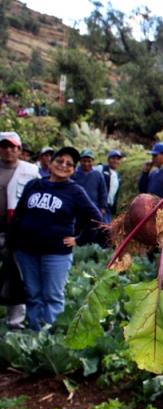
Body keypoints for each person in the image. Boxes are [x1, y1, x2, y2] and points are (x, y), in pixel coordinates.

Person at [10, 146, 102, 331]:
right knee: (33, 294)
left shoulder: (75, 191)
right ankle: (35, 333)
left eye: (69, 164)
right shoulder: (34, 185)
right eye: (60, 161)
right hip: (26, 252)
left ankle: (53, 335)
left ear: (73, 170)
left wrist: (79, 240)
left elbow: (96, 218)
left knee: (52, 295)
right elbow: (19, 213)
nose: (63, 165)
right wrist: (15, 240)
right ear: (50, 163)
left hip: (56, 253)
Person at [0, 131, 39, 329]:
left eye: (12, 147)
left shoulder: (31, 171)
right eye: (4, 146)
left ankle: (15, 321)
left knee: (16, 275)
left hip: (18, 233)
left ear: (19, 149)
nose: (8, 150)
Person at [71, 149, 108, 222]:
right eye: (84, 161)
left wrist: (103, 208)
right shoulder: (73, 173)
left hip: (93, 209)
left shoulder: (98, 175)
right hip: (76, 209)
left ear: (93, 161)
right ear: (80, 161)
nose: (86, 163)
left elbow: (103, 192)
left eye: (89, 161)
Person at [95, 149, 124, 222]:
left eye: (117, 159)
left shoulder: (117, 175)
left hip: (109, 208)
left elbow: (115, 194)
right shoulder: (101, 168)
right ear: (108, 159)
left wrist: (113, 210)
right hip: (98, 205)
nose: (115, 161)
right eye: (113, 158)